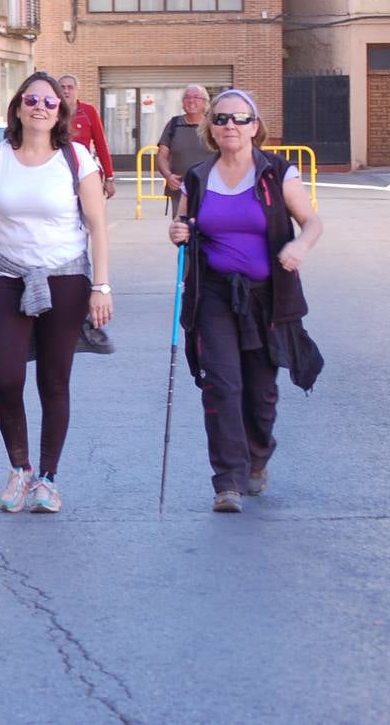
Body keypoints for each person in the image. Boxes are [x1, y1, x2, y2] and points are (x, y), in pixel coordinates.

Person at [0, 73, 112, 515]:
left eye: (49, 102)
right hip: (9, 276)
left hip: (65, 279)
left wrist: (101, 286)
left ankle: (48, 478)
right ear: (18, 107)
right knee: (5, 379)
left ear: (60, 112)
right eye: (32, 99)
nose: (41, 107)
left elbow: (97, 226)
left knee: (53, 380)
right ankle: (19, 468)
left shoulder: (76, 157)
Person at [168, 89, 323, 514]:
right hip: (214, 294)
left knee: (260, 391)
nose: (230, 126)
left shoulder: (277, 174)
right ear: (210, 129)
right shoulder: (199, 176)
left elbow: (311, 222)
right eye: (221, 120)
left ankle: (258, 455)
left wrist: (299, 248)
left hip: (266, 297)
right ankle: (228, 480)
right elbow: (182, 224)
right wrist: (178, 232)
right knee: (221, 383)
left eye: (240, 119)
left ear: (255, 127)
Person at [155, 85, 213, 217]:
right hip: (179, 191)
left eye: (196, 97)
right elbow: (162, 156)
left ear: (205, 103)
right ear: (182, 103)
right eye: (187, 97)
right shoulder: (174, 124)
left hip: (210, 190)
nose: (191, 100)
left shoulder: (213, 126)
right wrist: (168, 176)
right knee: (181, 230)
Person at [58, 73, 115, 198]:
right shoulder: (51, 112)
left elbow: (101, 145)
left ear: (77, 90)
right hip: (58, 171)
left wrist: (109, 177)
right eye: (62, 87)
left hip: (84, 170)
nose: (66, 91)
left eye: (70, 87)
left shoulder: (89, 111)